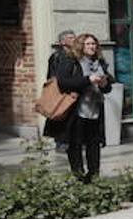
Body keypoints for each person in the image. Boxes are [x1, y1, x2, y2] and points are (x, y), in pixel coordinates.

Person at [44, 33, 113, 182]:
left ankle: (94, 175)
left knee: (94, 144)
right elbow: (63, 83)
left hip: (94, 110)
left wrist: (104, 84)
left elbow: (108, 88)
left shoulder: (99, 63)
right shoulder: (71, 61)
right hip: (76, 111)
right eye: (88, 44)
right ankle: (79, 175)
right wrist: (88, 80)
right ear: (81, 46)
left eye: (94, 44)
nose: (92, 47)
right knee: (75, 144)